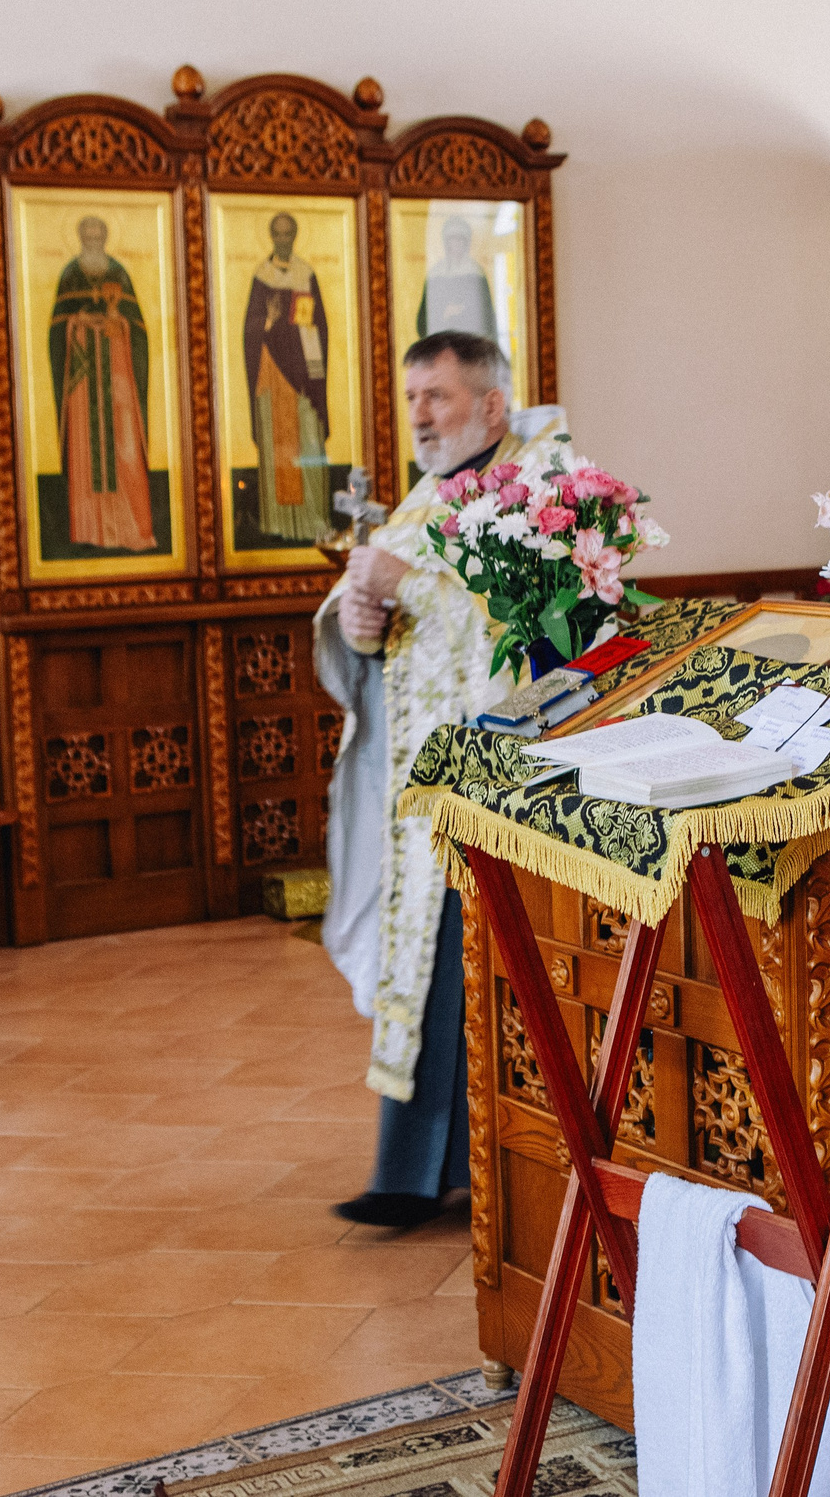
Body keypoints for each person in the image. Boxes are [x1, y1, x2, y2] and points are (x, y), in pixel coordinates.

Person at [314, 329, 565, 1227]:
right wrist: (358, 622)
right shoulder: (431, 494)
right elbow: (381, 613)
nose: (419, 414)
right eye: (413, 396)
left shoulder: (544, 488)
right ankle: (416, 1174)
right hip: (423, 788)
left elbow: (530, 621)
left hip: (503, 780)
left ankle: (478, 1168)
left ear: (492, 404)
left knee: (481, 967)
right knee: (429, 967)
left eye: (439, 396)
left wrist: (405, 587)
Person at [50, 215, 158, 553]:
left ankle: (128, 527)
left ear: (106, 238)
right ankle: (90, 529)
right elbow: (58, 330)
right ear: (81, 239)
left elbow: (137, 329)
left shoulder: (119, 274)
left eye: (98, 236)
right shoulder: (70, 274)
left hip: (117, 374)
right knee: (87, 447)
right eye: (88, 236)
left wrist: (118, 323)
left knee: (123, 444)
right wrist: (77, 323)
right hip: (83, 379)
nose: (93, 241)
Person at [244, 211, 333, 544]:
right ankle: (279, 523)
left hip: (303, 376)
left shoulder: (305, 274)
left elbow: (319, 324)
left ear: (294, 237)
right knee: (278, 448)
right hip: (272, 375)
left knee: (307, 442)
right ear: (272, 237)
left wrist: (308, 332)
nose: (283, 240)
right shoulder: (262, 276)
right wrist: (267, 321)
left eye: (288, 234)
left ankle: (312, 520)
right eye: (278, 234)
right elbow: (249, 331)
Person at [418, 215, 499, 341]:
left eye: (460, 240)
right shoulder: (436, 273)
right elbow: (423, 322)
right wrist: (444, 313)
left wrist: (462, 313)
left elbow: (486, 317)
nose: (457, 244)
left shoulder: (476, 273)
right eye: (453, 240)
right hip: (442, 341)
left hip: (470, 342)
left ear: (466, 242)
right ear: (446, 243)